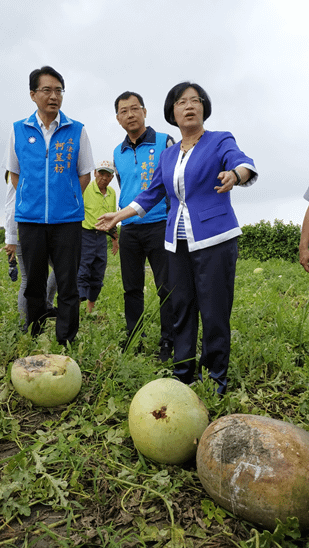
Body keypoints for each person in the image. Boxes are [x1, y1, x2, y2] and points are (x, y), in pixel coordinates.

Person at [98, 82, 258, 394]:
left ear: (203, 108)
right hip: (176, 241)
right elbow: (151, 194)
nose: (189, 106)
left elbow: (242, 162)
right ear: (172, 111)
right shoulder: (169, 154)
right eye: (182, 101)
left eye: (195, 100)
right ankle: (184, 372)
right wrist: (118, 215)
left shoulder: (219, 141)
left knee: (214, 310)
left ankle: (215, 379)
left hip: (215, 238)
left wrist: (235, 175)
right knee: (181, 306)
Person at [6, 65, 95, 345]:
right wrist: (34, 200)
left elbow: (84, 175)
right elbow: (15, 174)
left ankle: (64, 340)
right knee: (34, 283)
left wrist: (63, 199)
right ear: (33, 94)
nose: (53, 96)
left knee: (68, 284)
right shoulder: (18, 130)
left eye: (58, 90)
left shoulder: (76, 130)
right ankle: (33, 335)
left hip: (66, 220)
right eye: (47, 90)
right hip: (30, 220)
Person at [113, 91, 174, 359]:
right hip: (130, 229)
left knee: (166, 287)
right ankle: (134, 336)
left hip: (160, 224)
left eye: (135, 108)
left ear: (145, 111)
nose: (130, 114)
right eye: (124, 111)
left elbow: (174, 183)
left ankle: (168, 341)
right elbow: (123, 187)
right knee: (131, 287)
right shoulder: (118, 151)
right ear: (118, 118)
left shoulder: (164, 142)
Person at [3, 171, 57, 330]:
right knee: (28, 279)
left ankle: (46, 305)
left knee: (61, 268)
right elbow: (11, 204)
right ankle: (23, 325)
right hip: (23, 230)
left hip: (40, 229)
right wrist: (11, 238)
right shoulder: (14, 173)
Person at [77, 160, 119, 313]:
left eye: (108, 175)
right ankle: (76, 310)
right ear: (95, 173)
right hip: (85, 235)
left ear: (112, 178)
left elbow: (113, 217)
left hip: (102, 237)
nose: (104, 178)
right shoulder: (85, 188)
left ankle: (90, 309)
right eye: (101, 173)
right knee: (83, 271)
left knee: (98, 273)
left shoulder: (112, 193)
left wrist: (115, 239)